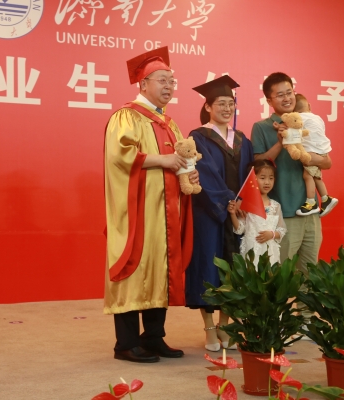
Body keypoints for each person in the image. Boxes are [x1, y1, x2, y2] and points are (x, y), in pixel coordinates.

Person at [103, 47, 198, 363]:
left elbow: (181, 159)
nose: (169, 86)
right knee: (135, 268)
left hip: (166, 212)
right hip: (140, 212)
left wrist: (188, 172)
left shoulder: (169, 123)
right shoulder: (126, 116)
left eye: (172, 81)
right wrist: (163, 160)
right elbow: (120, 156)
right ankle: (126, 344)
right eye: (162, 80)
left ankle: (153, 337)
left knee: (161, 268)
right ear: (143, 84)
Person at [184, 75, 254, 352]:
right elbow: (205, 173)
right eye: (221, 103)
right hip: (209, 213)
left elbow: (249, 173)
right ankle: (209, 329)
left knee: (233, 267)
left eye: (230, 103)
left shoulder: (242, 139)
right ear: (208, 107)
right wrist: (227, 201)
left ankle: (225, 326)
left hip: (237, 213)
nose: (227, 108)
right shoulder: (198, 137)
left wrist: (242, 203)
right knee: (209, 267)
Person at [251, 72, 332, 276]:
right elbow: (258, 164)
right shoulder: (262, 128)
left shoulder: (306, 123)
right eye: (280, 95)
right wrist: (281, 143)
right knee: (280, 274)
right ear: (269, 100)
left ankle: (305, 302)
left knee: (309, 274)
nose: (287, 98)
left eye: (289, 92)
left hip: (311, 213)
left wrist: (308, 157)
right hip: (283, 214)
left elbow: (327, 162)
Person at [227, 159, 287, 264]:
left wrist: (271, 234)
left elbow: (282, 230)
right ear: (253, 179)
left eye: (271, 178)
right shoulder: (246, 205)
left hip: (269, 252)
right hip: (251, 250)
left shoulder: (276, 206)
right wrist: (232, 214)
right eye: (262, 178)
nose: (267, 182)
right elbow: (240, 229)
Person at [294, 93, 339, 217]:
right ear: (309, 106)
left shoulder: (299, 118)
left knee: (307, 175)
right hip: (323, 149)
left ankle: (311, 202)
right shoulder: (318, 118)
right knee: (315, 176)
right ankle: (326, 198)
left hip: (311, 151)